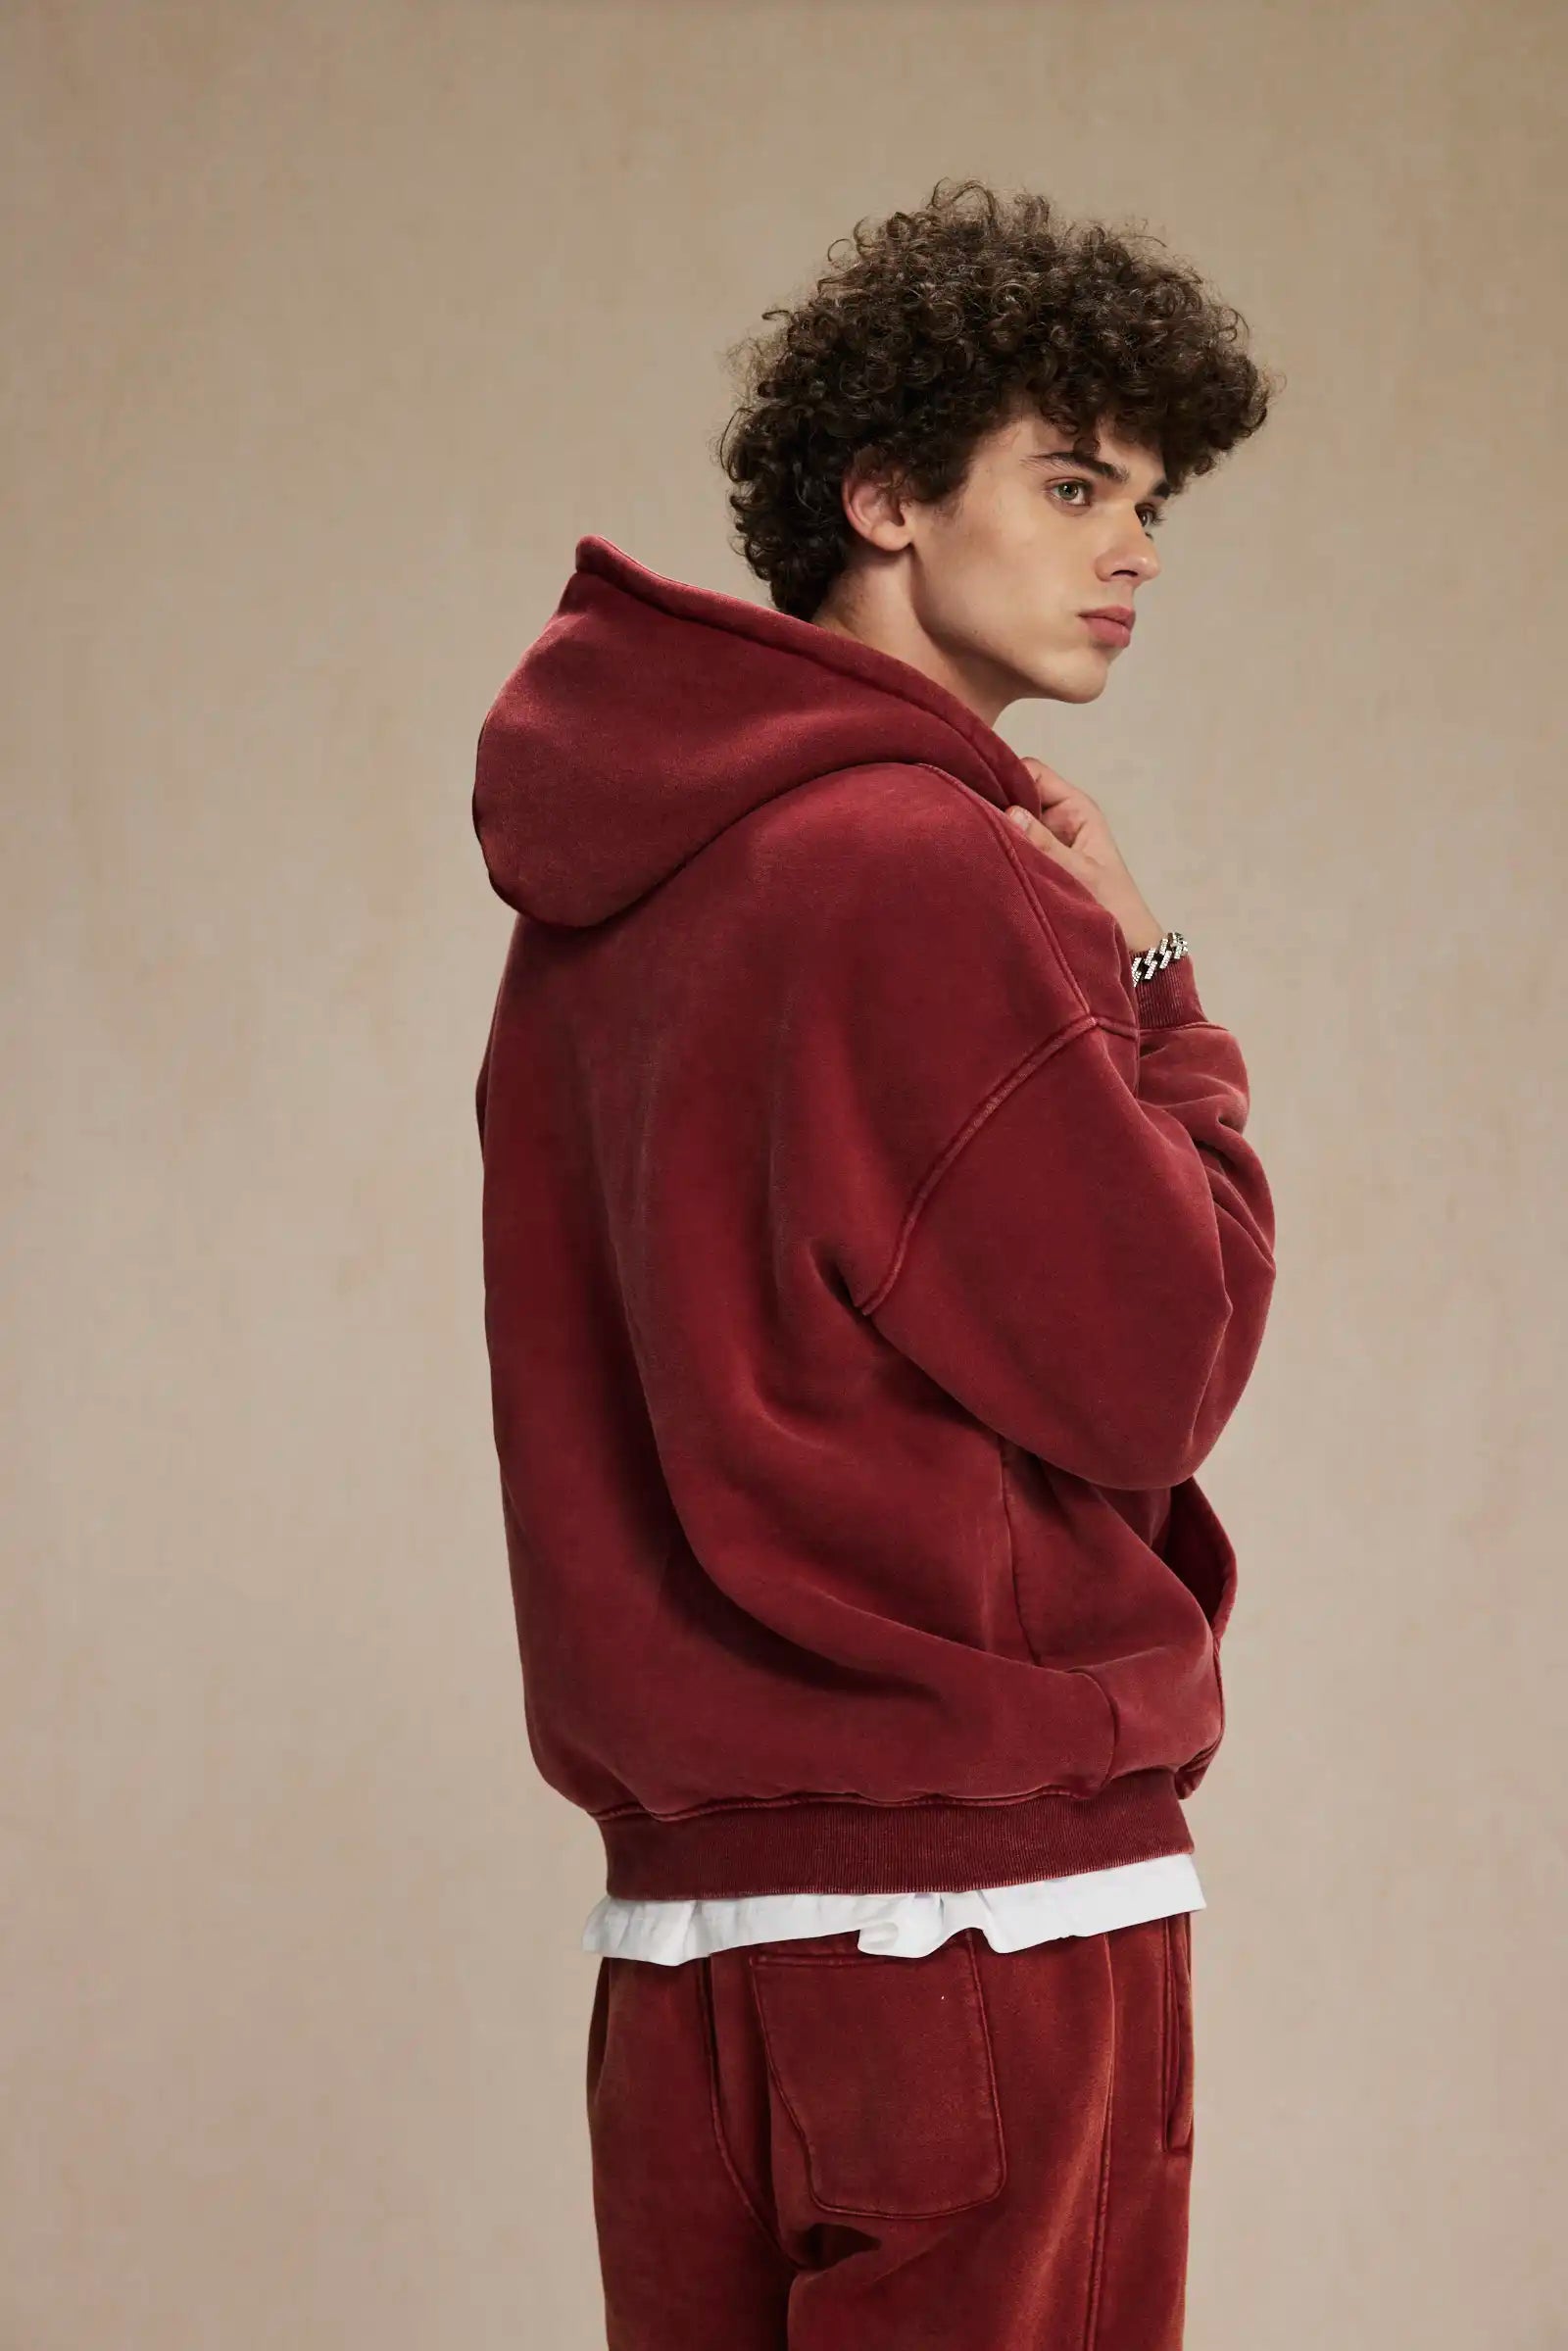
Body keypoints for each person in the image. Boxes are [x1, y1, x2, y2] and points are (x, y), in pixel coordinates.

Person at [471, 176, 1281, 2348]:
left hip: (693, 1954)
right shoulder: (933, 865)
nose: (1132, 548)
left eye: (1150, 502)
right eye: (1072, 481)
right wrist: (1158, 979)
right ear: (883, 498)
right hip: (977, 1922)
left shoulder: (602, 911)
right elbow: (1163, 1359)